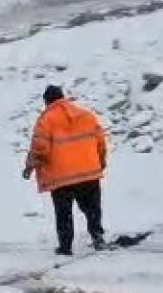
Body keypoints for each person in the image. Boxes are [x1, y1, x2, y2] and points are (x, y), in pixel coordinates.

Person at [22, 85, 107, 255]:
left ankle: (65, 247)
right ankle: (97, 236)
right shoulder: (86, 115)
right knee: (92, 208)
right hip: (88, 173)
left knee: (64, 213)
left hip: (61, 178)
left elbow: (40, 149)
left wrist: (29, 166)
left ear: (47, 101)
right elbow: (101, 143)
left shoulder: (46, 120)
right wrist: (101, 163)